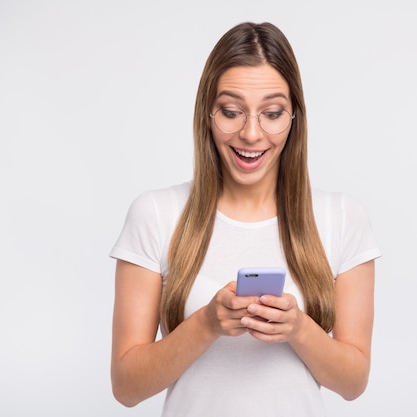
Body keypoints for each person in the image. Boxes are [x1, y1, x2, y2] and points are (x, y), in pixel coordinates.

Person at [109, 21, 381, 417]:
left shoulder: (342, 217)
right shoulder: (156, 214)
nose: (251, 134)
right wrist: (206, 324)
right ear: (208, 114)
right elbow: (126, 386)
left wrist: (299, 329)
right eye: (231, 112)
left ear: (294, 118)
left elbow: (353, 383)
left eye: (271, 113)